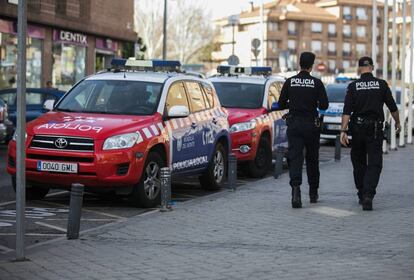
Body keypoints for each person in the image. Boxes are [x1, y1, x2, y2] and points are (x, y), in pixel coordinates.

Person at [340, 56, 400, 211]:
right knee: (374, 163)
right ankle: (368, 195)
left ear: (360, 68)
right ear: (372, 67)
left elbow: (347, 111)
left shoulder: (353, 86)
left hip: (357, 129)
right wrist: (398, 123)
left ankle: (361, 193)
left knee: (358, 161)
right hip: (374, 129)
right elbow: (392, 107)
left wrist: (343, 130)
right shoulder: (381, 84)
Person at [279, 52, 329, 208]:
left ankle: (296, 192)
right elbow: (324, 106)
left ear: (299, 64)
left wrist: (292, 104)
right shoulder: (317, 83)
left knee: (295, 158)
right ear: (311, 65)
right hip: (311, 126)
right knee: (312, 160)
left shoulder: (290, 81)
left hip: (294, 125)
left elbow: (281, 104)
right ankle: (313, 193)